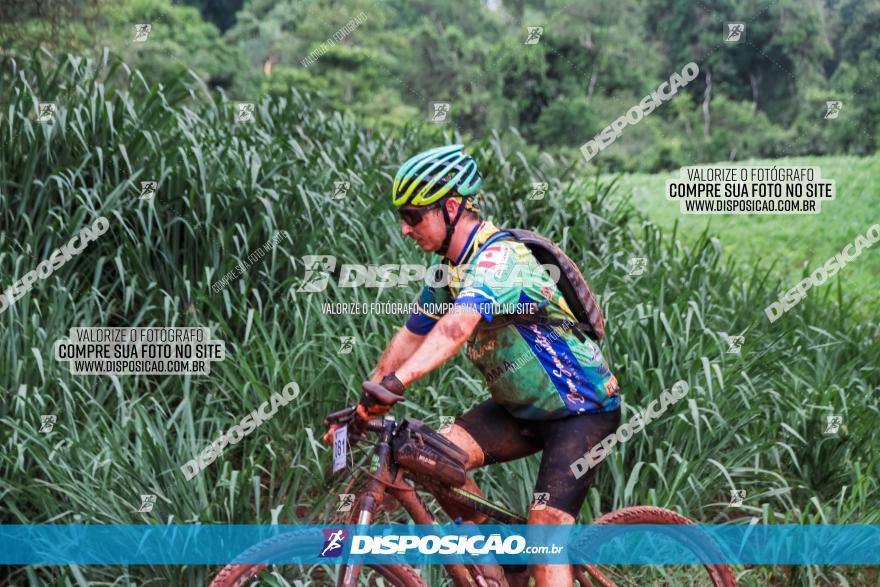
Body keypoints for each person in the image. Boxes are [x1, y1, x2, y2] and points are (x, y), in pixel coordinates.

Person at [329, 144, 621, 586]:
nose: (405, 230)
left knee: (545, 531)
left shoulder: (499, 261)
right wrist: (366, 403)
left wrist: (398, 384)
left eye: (412, 215)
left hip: (580, 411)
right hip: (518, 410)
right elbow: (412, 336)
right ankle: (498, 567)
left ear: (450, 207)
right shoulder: (447, 269)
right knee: (429, 456)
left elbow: (454, 329)